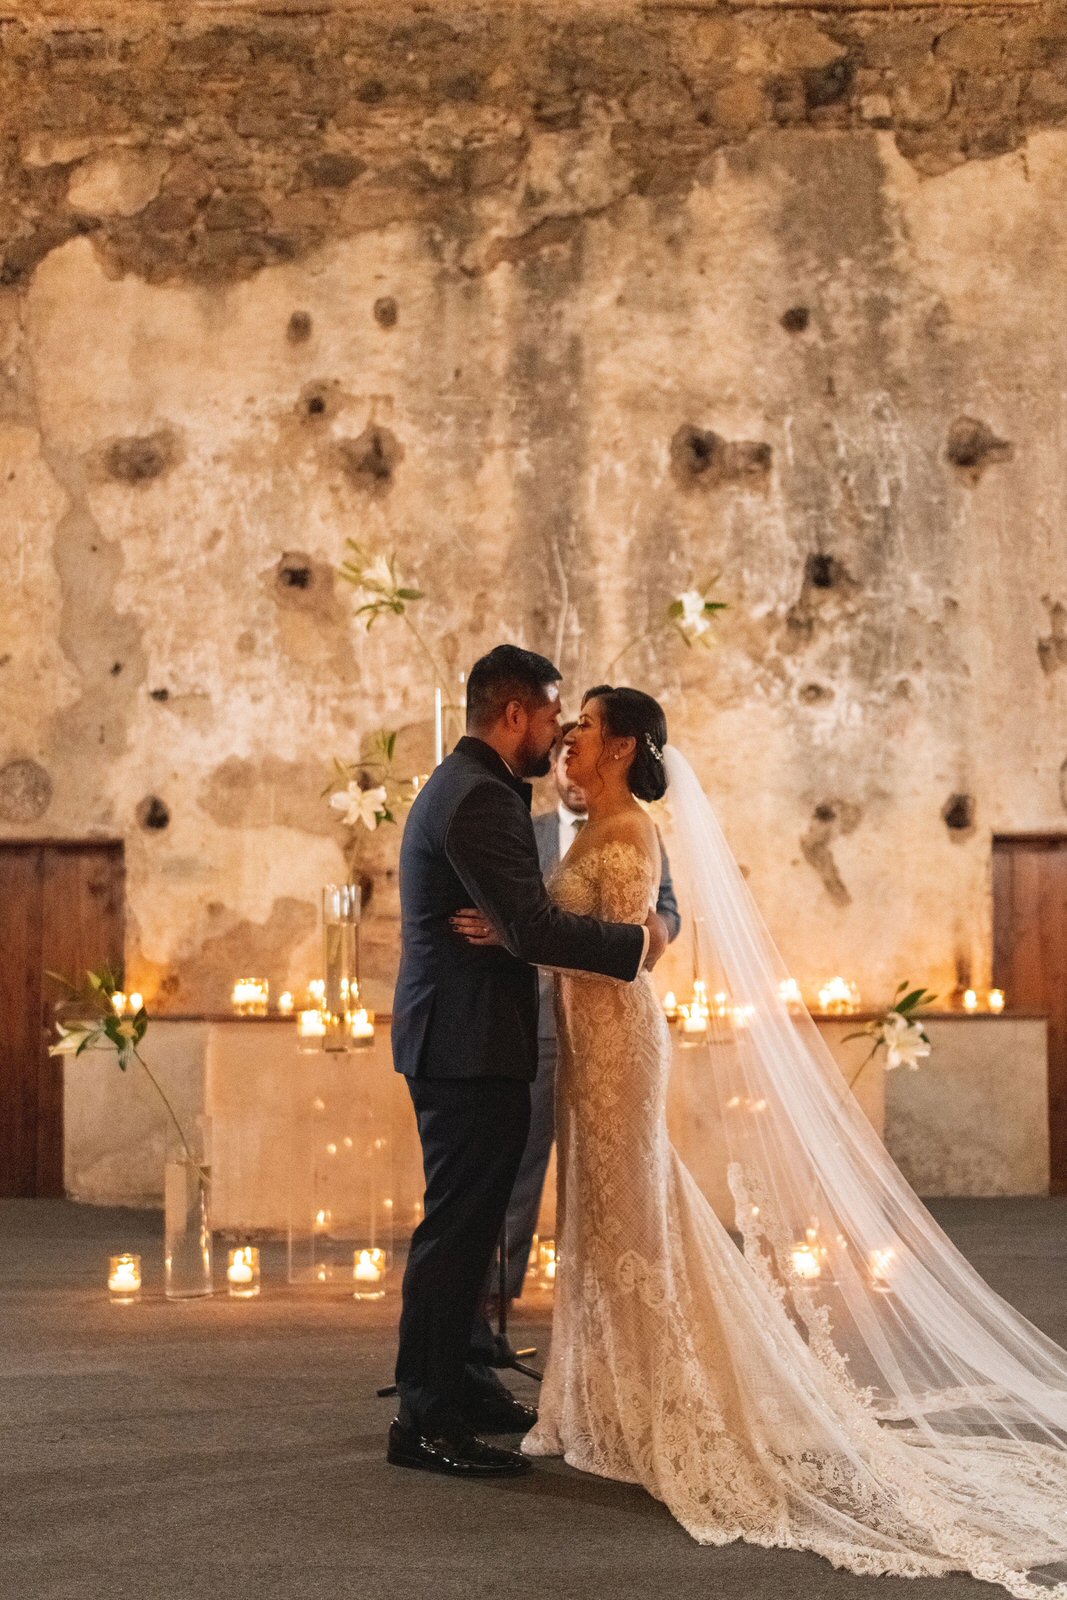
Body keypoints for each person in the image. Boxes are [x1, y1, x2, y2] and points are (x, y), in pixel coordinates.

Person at [455, 684, 1067, 1596]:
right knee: (613, 1218)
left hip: (621, 1045)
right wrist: (525, 933)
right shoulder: (597, 825)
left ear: (621, 747)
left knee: (634, 1220)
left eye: (585, 726)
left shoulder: (624, 834)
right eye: (568, 724)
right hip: (592, 1046)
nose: (572, 739)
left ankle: (668, 1403)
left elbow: (623, 940)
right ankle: (612, 1398)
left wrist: (514, 937)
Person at [388, 646, 668, 1480]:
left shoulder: (479, 785)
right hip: (465, 1044)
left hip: (479, 1037)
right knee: (456, 1230)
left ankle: (466, 1379)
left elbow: (521, 922)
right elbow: (535, 928)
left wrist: (516, 925)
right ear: (515, 714)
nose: (560, 731)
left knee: (476, 1229)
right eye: (553, 715)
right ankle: (425, 1416)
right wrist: (634, 944)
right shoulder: (475, 796)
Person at [475, 720, 681, 1326]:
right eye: (563, 747)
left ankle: (630, 1324)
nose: (567, 750)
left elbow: (659, 908)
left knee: (617, 1182)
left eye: (581, 732)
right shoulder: (530, 832)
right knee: (527, 1167)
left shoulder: (636, 831)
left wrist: (652, 936)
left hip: (610, 1023)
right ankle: (496, 1301)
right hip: (543, 1019)